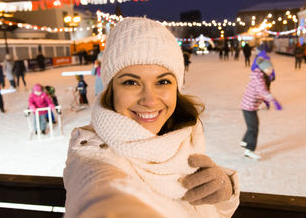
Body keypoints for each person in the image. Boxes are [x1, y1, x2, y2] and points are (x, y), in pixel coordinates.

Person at [63, 17, 240, 218]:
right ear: (111, 89)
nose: (149, 100)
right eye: (131, 82)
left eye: (163, 81)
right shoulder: (92, 158)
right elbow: (101, 192)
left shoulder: (185, 140)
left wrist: (227, 194)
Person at [240, 58, 282, 160]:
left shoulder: (260, 75)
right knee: (253, 128)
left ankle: (245, 141)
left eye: (271, 68)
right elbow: (263, 91)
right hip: (249, 106)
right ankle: (249, 151)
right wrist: (274, 101)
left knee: (252, 126)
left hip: (249, 106)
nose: (271, 71)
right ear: (263, 69)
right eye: (269, 69)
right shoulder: (259, 78)